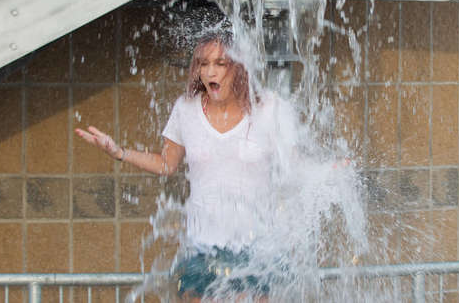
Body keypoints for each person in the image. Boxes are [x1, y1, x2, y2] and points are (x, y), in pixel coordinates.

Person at [76, 31, 297, 301]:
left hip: (256, 244)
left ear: (239, 67)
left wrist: (328, 173)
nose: (210, 72)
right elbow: (166, 163)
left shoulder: (269, 109)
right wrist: (119, 152)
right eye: (203, 64)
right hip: (202, 244)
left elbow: (295, 165)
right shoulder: (186, 108)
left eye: (220, 64)